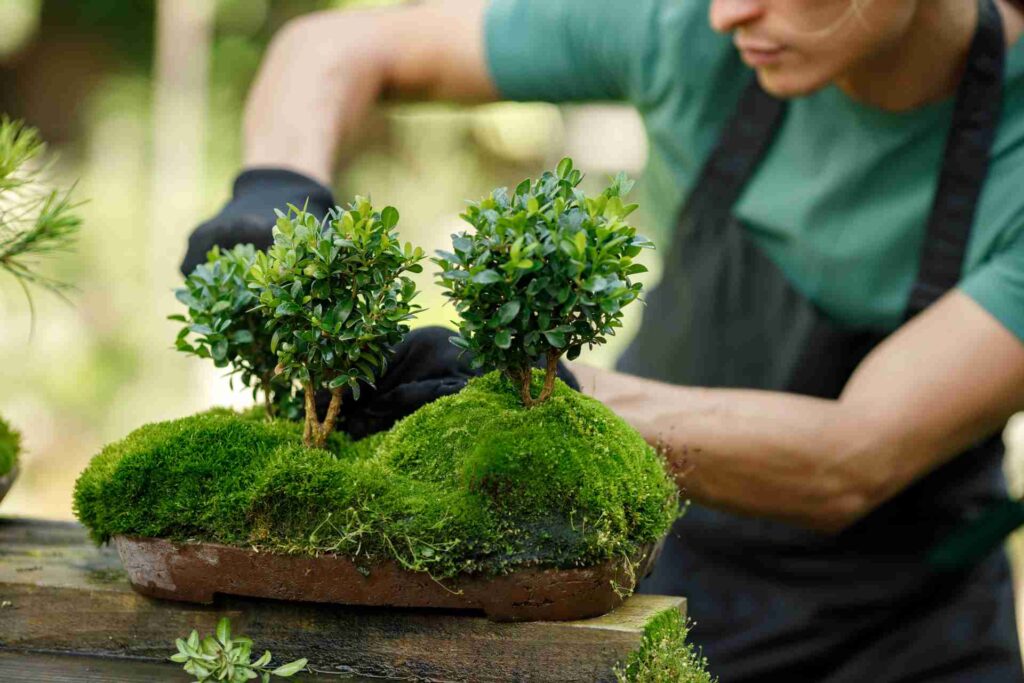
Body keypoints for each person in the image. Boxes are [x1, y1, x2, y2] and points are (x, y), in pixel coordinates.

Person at [181, 0, 1024, 679]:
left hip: (903, 635)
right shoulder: (689, 27)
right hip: (660, 571)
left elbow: (848, 458)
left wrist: (516, 394)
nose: (730, 13)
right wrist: (276, 185)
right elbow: (339, 43)